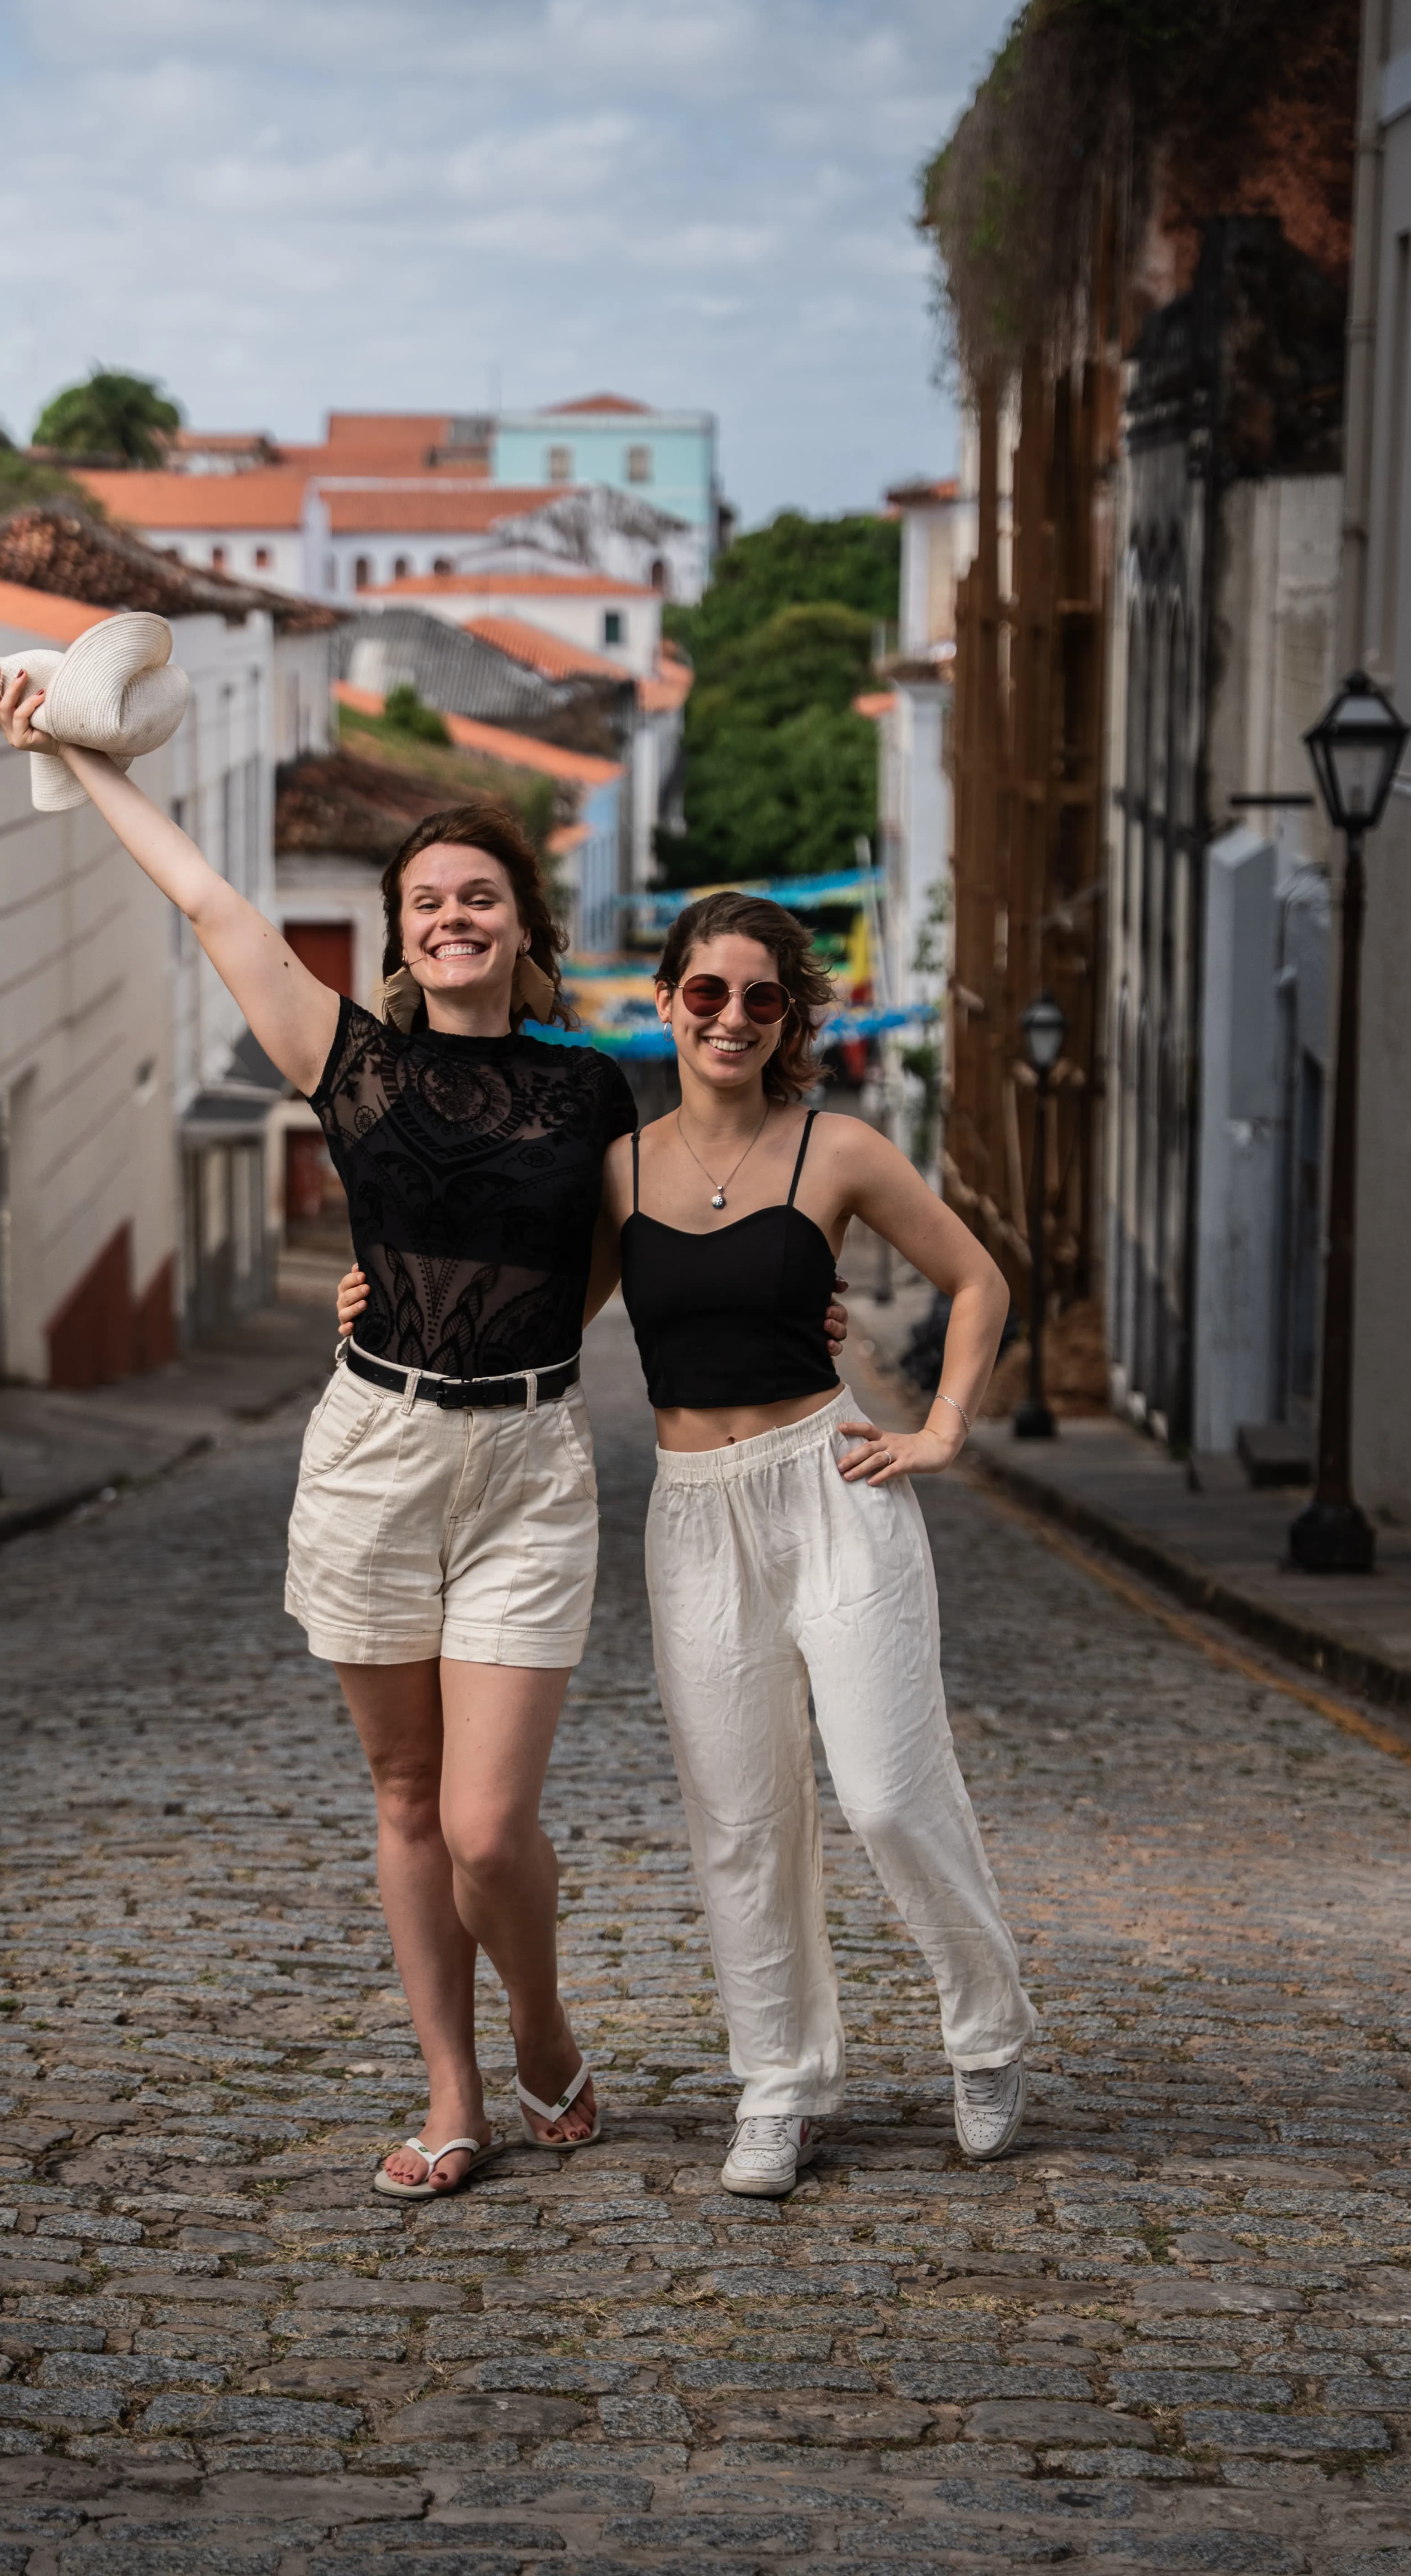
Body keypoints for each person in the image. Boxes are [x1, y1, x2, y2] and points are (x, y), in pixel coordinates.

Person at [0, 653, 628, 2198]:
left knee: (487, 1827)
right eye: (428, 903)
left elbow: (625, 1271)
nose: (453, 917)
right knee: (407, 1797)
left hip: (532, 1466)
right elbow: (210, 903)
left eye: (483, 896)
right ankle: (455, 2089)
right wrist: (80, 756)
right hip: (374, 1454)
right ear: (403, 937)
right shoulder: (352, 1061)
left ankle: (541, 2023)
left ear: (526, 927)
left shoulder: (593, 1092)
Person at [339, 888, 1035, 2195]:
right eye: (705, 993)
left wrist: (942, 1432)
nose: (730, 1017)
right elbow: (530, 1309)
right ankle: (782, 2085)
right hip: (693, 1513)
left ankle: (988, 2032)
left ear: (789, 1021)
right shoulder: (622, 1167)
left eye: (760, 998)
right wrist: (384, 1293)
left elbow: (979, 1279)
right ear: (663, 1004)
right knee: (741, 1818)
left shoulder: (840, 1152)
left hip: (831, 1489)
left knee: (887, 1791)